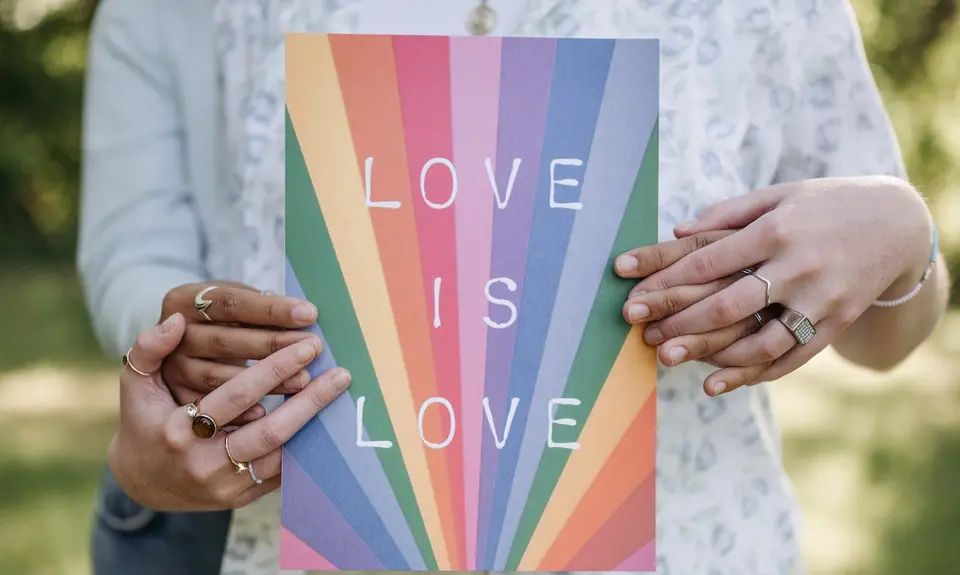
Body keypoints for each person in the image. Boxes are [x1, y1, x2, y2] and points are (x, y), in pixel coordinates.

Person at [78, 0, 950, 574]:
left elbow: (885, 339)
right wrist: (181, 378)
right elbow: (139, 262)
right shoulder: (210, 14)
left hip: (693, 543)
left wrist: (901, 234)